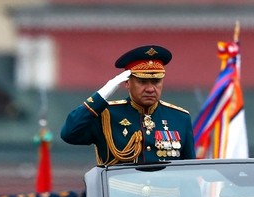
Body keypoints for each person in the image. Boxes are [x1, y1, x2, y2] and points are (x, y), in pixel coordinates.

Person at [61, 45, 195, 165]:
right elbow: (69, 133)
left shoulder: (180, 118)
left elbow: (189, 172)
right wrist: (101, 95)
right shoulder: (106, 114)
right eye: (142, 82)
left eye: (156, 81)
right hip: (119, 193)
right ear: (127, 83)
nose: (150, 88)